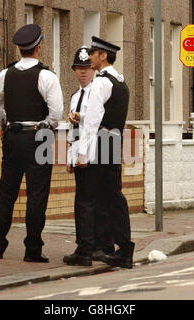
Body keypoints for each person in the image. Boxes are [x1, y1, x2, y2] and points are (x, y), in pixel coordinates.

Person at [0, 24, 63, 261]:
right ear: (38, 47)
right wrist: (44, 126)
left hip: (12, 136)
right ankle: (33, 250)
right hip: (39, 137)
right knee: (37, 195)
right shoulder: (46, 76)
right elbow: (56, 113)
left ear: (21, 49)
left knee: (7, 194)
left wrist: (5, 124)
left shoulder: (5, 74)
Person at [63, 36, 135, 269]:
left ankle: (84, 251)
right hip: (114, 142)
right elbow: (105, 115)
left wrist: (81, 154)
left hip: (98, 144)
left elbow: (94, 120)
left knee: (86, 198)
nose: (90, 57)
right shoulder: (119, 81)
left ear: (102, 56)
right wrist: (80, 116)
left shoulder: (101, 82)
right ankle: (124, 249)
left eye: (93, 53)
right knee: (114, 197)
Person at [65, 46, 114, 266]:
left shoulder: (97, 90)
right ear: (74, 70)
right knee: (83, 202)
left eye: (87, 68)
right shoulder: (75, 96)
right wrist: (70, 157)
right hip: (81, 153)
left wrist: (83, 154)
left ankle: (89, 248)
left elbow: (93, 122)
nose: (83, 72)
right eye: (79, 68)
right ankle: (89, 245)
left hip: (93, 153)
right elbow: (73, 131)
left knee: (89, 203)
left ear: (92, 70)